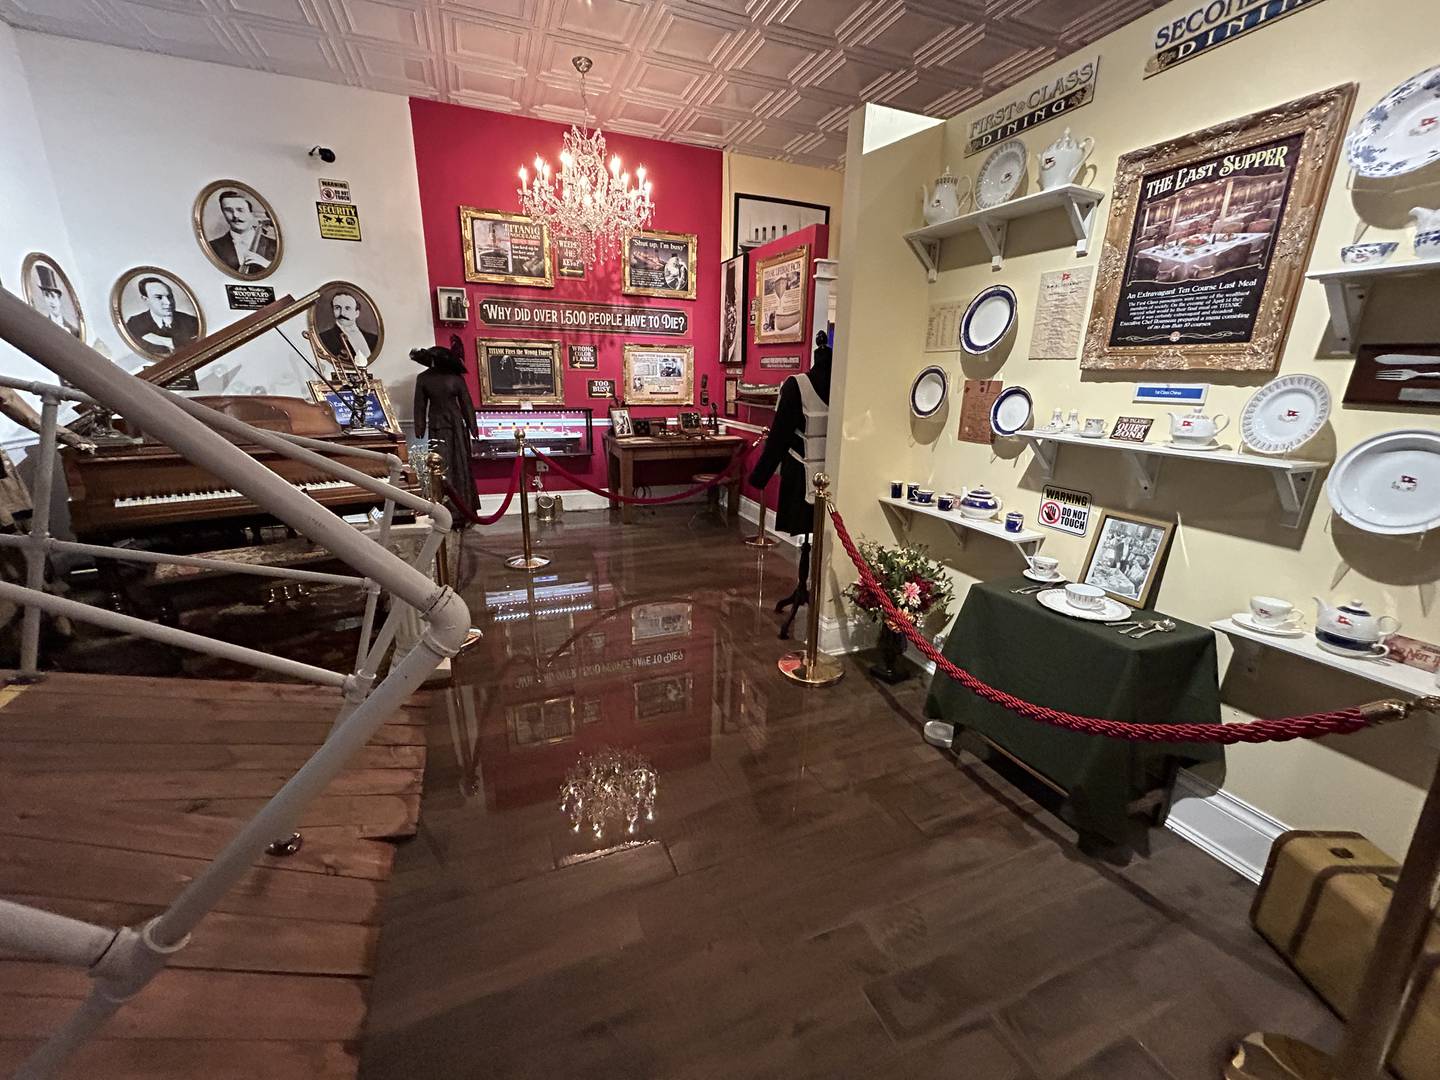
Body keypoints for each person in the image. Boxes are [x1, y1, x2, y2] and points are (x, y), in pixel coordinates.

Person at [749, 330, 831, 638]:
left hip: (802, 480)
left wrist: (759, 476)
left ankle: (805, 588)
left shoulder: (797, 386)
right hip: (827, 478)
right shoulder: (842, 383)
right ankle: (805, 587)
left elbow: (780, 436)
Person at [413, 335, 478, 525]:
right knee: (442, 468)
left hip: (456, 427)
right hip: (438, 426)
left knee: (460, 465)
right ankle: (447, 511)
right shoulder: (423, 379)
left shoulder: (455, 379)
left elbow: (466, 403)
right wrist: (419, 427)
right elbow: (419, 405)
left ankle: (465, 509)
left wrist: (473, 426)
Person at [124, 276, 199, 356]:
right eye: (159, 297)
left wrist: (166, 341)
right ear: (145, 299)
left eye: (169, 296)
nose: (168, 302)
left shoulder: (191, 322)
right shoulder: (134, 324)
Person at [207, 189, 277, 276]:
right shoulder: (212, 247)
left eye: (240, 210)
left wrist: (267, 265)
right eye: (228, 210)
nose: (235, 215)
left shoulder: (275, 246)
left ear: (251, 212)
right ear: (223, 212)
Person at [317, 291, 377, 368]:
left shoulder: (373, 338)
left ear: (357, 313)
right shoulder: (324, 338)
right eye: (337, 308)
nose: (342, 313)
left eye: (347, 308)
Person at [33, 265, 80, 338]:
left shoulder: (73, 330)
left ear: (59, 299)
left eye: (53, 296)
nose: (51, 302)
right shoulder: (42, 326)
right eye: (47, 296)